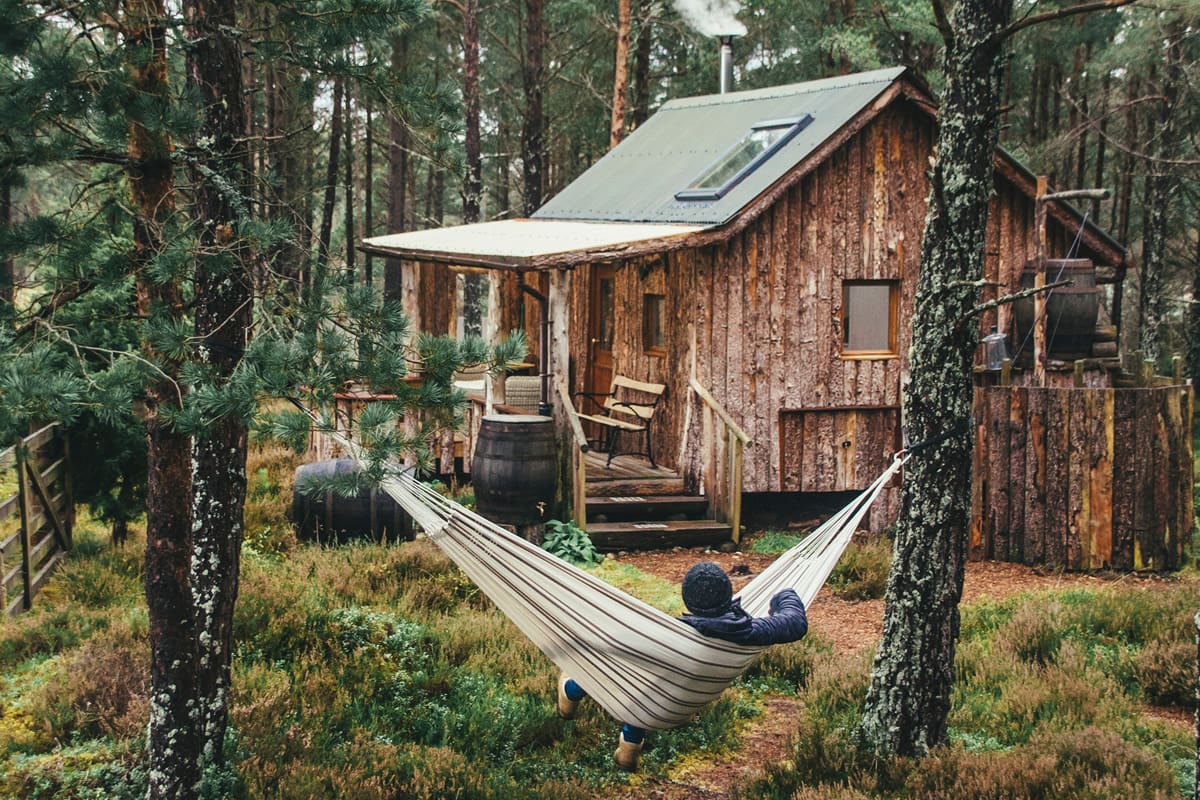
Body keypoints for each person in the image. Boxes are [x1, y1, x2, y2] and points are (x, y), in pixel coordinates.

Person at [556, 561, 809, 771]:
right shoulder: (751, 631)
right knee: (650, 679)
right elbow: (795, 622)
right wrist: (782, 595)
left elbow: (612, 645)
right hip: (684, 706)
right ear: (728, 595)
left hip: (650, 702)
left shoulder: (671, 637)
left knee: (629, 674)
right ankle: (628, 746)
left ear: (688, 602)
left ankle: (575, 692)